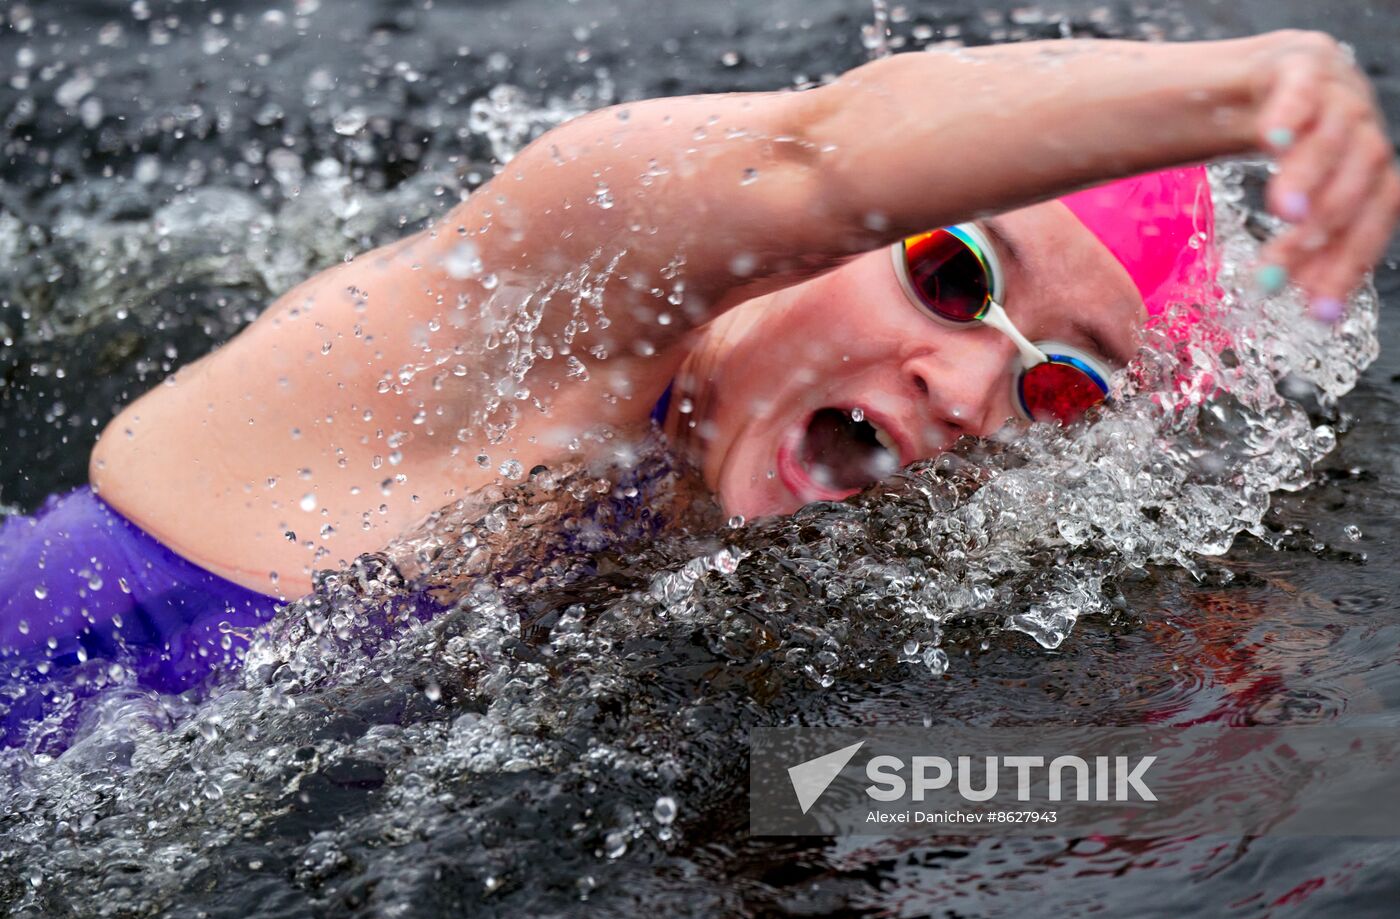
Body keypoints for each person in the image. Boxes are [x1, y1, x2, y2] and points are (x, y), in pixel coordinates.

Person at [2, 30, 1397, 705]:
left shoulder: (747, 566)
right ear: (815, 247)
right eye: (953, 273)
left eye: (1060, 386)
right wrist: (1253, 88)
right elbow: (816, 152)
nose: (971, 393)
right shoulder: (530, 323)